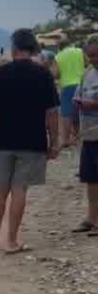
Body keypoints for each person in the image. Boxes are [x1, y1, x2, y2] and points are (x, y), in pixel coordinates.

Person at [0, 28, 61, 254]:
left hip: (1, 140)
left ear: (14, 48)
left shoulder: (2, 72)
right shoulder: (43, 75)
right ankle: (12, 241)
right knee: (19, 190)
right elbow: (52, 113)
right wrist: (54, 142)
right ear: (34, 48)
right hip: (32, 142)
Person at [71, 37, 98, 236]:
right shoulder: (88, 73)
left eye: (95, 54)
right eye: (89, 55)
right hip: (88, 134)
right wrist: (78, 101)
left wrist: (93, 105)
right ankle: (91, 217)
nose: (92, 59)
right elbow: (78, 95)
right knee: (90, 178)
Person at [53, 41, 86, 147]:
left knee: (66, 114)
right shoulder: (80, 51)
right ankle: (77, 137)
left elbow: (55, 73)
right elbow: (88, 62)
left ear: (59, 47)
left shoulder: (58, 56)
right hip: (81, 84)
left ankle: (66, 140)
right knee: (78, 113)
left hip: (67, 86)